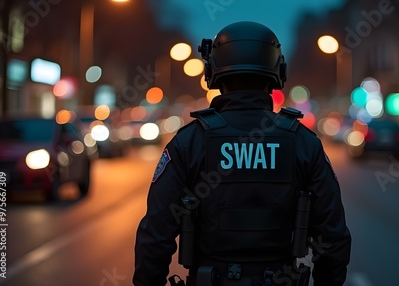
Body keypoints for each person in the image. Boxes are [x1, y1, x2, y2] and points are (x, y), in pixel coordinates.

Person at [133, 21, 351, 286]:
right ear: (278, 72)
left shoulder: (188, 143)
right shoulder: (303, 143)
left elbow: (155, 235)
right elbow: (333, 237)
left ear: (212, 71)